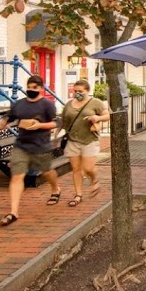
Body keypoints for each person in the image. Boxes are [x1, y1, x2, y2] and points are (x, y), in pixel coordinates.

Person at [0, 75, 60, 226]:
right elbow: (10, 116)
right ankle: (13, 212)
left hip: (41, 146)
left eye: (35, 88)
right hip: (22, 145)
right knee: (17, 177)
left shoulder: (47, 104)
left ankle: (55, 188)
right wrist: (3, 121)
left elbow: (57, 122)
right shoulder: (19, 104)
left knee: (47, 172)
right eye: (29, 87)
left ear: (41, 88)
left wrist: (39, 126)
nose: (31, 90)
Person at [61, 79, 109, 207]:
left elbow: (107, 115)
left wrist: (97, 118)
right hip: (73, 140)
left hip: (89, 140)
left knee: (87, 168)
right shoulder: (69, 104)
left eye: (80, 91)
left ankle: (94, 179)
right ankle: (78, 194)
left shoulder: (95, 103)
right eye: (75, 91)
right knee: (76, 169)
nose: (77, 93)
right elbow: (64, 121)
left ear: (87, 91)